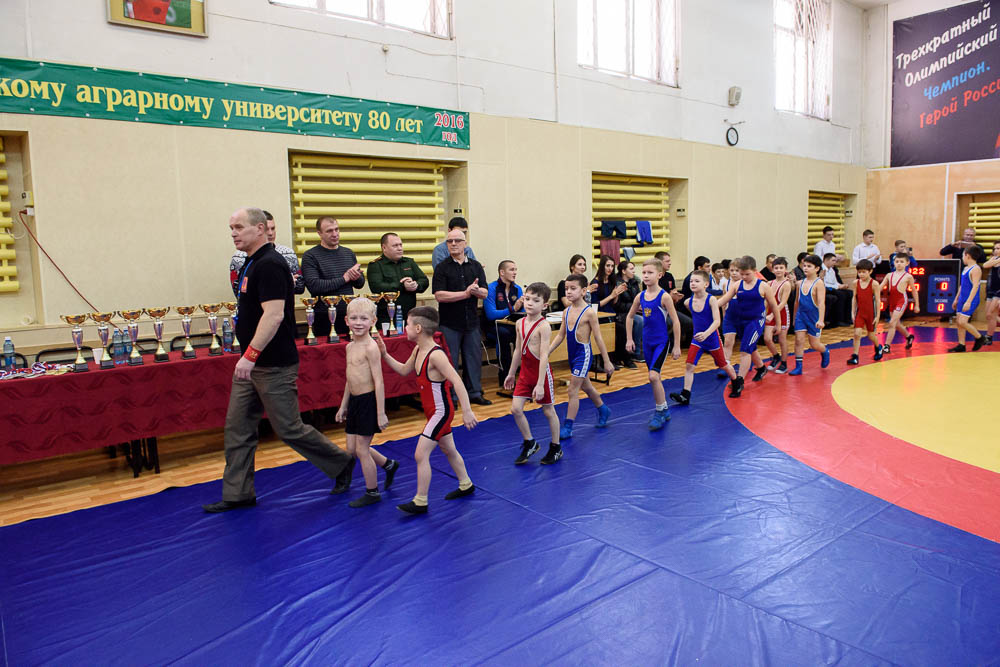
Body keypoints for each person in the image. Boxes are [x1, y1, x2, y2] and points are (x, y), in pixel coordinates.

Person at [202, 207, 353, 514]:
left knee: (289, 428)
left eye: (239, 227)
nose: (233, 233)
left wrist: (250, 356)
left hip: (272, 364)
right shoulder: (251, 262)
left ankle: (341, 464)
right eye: (231, 227)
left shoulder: (270, 264)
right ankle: (238, 493)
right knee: (237, 427)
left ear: (260, 229)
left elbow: (273, 316)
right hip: (252, 363)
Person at [376, 307, 477, 515]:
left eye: (408, 324)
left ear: (418, 328)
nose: (405, 327)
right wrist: (385, 354)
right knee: (448, 449)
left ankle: (420, 501)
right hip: (433, 412)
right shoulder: (418, 350)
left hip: (441, 411)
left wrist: (467, 411)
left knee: (420, 454)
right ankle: (466, 484)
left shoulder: (436, 355)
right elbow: (404, 370)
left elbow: (456, 380)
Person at [334, 297, 399, 507]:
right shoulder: (349, 347)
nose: (358, 322)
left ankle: (372, 492)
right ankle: (388, 464)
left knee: (362, 449)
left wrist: (381, 412)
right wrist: (344, 405)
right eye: (354, 318)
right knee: (351, 448)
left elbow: (379, 381)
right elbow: (349, 378)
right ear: (345, 320)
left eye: (364, 318)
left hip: (369, 401)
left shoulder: (371, 348)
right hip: (355, 400)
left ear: (373, 321)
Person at [549, 274, 615, 439]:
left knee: (573, 389)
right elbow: (560, 335)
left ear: (584, 290)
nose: (569, 292)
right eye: (566, 289)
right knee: (586, 387)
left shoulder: (589, 313)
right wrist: (548, 351)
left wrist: (607, 361)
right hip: (573, 355)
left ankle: (568, 426)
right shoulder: (566, 311)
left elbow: (598, 338)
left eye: (573, 288)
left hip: (583, 355)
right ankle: (603, 409)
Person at [432, 228, 492, 405]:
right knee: (449, 361)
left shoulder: (475, 266)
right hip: (450, 323)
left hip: (472, 321)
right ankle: (451, 396)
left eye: (457, 241)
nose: (453, 244)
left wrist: (476, 291)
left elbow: (485, 292)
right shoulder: (442, 268)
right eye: (450, 241)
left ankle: (474, 392)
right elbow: (439, 295)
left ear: (465, 244)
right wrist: (465, 294)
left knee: (473, 358)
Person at [504, 282, 562, 465]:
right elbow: (517, 350)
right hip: (525, 374)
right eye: (527, 299)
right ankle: (530, 442)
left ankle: (556, 447)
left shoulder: (543, 326)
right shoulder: (519, 323)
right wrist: (512, 373)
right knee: (515, 409)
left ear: (544, 305)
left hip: (541, 374)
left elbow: (544, 354)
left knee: (548, 410)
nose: (529, 303)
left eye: (535, 300)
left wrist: (539, 383)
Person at [624, 259, 682, 428]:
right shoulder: (640, 296)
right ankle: (664, 408)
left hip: (661, 343)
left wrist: (677, 345)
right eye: (643, 273)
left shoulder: (664, 297)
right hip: (647, 343)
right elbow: (629, 317)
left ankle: (659, 411)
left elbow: (676, 321)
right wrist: (629, 338)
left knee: (653, 376)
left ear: (659, 275)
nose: (646, 276)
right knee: (654, 378)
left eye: (650, 273)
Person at [668, 270, 737, 405]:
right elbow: (697, 317)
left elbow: (717, 321)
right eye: (692, 281)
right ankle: (685, 394)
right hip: (698, 339)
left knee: (722, 364)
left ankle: (736, 381)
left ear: (706, 284)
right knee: (689, 365)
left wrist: (706, 333)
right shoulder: (688, 302)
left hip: (712, 339)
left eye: (697, 281)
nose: (693, 283)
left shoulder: (711, 299)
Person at [716, 256, 781, 397]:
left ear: (755, 271)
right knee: (750, 347)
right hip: (741, 320)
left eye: (747, 274)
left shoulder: (763, 286)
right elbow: (723, 300)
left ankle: (739, 381)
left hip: (755, 321)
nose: (744, 277)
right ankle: (761, 367)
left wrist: (778, 324)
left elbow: (773, 305)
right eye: (742, 274)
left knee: (745, 349)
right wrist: (707, 305)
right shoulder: (737, 285)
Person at [302, 216, 365, 339]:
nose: (335, 234)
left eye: (337, 229)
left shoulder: (348, 253)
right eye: (329, 231)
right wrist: (344, 278)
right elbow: (314, 286)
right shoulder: (310, 256)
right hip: (324, 316)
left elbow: (360, 284)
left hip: (349, 314)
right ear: (319, 233)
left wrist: (356, 277)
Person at [230, 210, 304, 297]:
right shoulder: (239, 257)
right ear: (259, 229)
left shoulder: (288, 253)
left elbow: (300, 287)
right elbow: (237, 290)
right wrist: (286, 280)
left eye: (273, 228)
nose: (270, 233)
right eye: (267, 229)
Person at [366, 232, 429, 327]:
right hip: (386, 317)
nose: (399, 248)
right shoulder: (375, 265)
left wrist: (416, 285)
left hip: (409, 315)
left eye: (400, 245)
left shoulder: (409, 262)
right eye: (395, 245)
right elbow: (376, 287)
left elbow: (424, 280)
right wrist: (402, 286)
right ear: (384, 248)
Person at [788, 254, 830, 376]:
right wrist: (794, 317)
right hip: (801, 315)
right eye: (804, 266)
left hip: (814, 317)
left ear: (817, 268)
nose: (805, 268)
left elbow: (822, 303)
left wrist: (821, 320)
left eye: (809, 266)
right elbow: (796, 301)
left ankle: (825, 351)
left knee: (814, 344)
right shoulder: (800, 283)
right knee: (798, 340)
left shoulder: (819, 284)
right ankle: (798, 367)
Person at [484, 260, 524, 382]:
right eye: (511, 270)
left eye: (516, 269)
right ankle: (505, 376)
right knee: (503, 335)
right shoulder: (491, 288)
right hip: (494, 326)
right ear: (502, 272)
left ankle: (527, 376)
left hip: (512, 325)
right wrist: (513, 309)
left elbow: (522, 312)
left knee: (527, 333)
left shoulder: (517, 289)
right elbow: (491, 315)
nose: (515, 272)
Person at [591, 254, 630, 368]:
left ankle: (619, 359)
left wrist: (617, 293)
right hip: (599, 316)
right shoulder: (595, 283)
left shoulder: (611, 281)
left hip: (610, 314)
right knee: (617, 330)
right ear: (602, 266)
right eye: (607, 265)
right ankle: (607, 360)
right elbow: (594, 305)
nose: (610, 269)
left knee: (623, 329)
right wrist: (611, 295)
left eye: (612, 266)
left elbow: (614, 303)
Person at [949, 246, 988, 352]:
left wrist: (968, 302)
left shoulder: (976, 269)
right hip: (962, 298)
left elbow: (975, 286)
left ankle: (980, 337)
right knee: (958, 321)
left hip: (971, 299)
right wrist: (956, 299)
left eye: (962, 255)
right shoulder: (966, 268)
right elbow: (962, 286)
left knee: (962, 321)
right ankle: (961, 345)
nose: (962, 258)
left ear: (967, 255)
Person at [847, 259, 884, 365]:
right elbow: (854, 298)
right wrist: (852, 312)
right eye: (859, 272)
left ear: (870, 271)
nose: (861, 274)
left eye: (864, 272)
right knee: (857, 333)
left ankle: (878, 347)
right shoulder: (856, 283)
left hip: (871, 314)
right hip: (860, 313)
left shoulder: (874, 284)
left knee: (871, 335)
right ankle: (855, 356)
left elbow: (877, 300)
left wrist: (877, 316)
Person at [879, 253, 918, 354]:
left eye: (901, 262)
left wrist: (917, 305)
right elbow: (881, 286)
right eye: (897, 262)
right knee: (896, 324)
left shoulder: (908, 276)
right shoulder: (889, 275)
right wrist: (872, 294)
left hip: (901, 301)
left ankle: (886, 346)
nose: (899, 264)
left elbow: (914, 290)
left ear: (907, 263)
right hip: (892, 301)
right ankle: (909, 336)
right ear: (893, 263)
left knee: (892, 323)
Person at [654, 251, 693, 343]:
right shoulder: (653, 277)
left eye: (669, 261)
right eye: (667, 261)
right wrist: (668, 297)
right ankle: (665, 344)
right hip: (658, 310)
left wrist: (676, 297)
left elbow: (673, 291)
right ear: (659, 262)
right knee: (669, 322)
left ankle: (680, 343)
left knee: (689, 322)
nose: (670, 263)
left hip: (670, 309)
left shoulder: (669, 276)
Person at [763, 256, 793, 373]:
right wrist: (764, 313)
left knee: (782, 340)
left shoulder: (786, 284)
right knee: (767, 338)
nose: (779, 270)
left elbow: (783, 302)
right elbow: (766, 301)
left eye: (781, 268)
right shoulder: (769, 283)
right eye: (776, 268)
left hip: (782, 313)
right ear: (772, 269)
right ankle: (776, 356)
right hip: (770, 312)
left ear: (785, 269)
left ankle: (784, 363)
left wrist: (773, 315)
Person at [614, 260, 643, 363]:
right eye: (631, 269)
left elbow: (639, 297)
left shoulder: (634, 282)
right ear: (623, 271)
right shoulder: (617, 283)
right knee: (640, 321)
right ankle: (636, 352)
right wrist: (634, 307)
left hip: (633, 310)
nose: (634, 272)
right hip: (621, 313)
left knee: (652, 316)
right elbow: (617, 305)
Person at [821, 253, 853, 327]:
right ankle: (839, 319)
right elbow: (824, 283)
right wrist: (838, 287)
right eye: (833, 260)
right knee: (841, 294)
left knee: (849, 293)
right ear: (826, 260)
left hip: (833, 287)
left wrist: (841, 285)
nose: (835, 262)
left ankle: (847, 318)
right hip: (826, 288)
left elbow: (835, 282)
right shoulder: (821, 269)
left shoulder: (832, 270)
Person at [983, 240, 1000, 345]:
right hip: (991, 290)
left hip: (999, 291)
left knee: (991, 313)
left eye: (998, 248)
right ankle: (989, 337)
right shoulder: (994, 259)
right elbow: (985, 265)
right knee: (989, 315)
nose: (996, 250)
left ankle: (989, 336)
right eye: (995, 249)